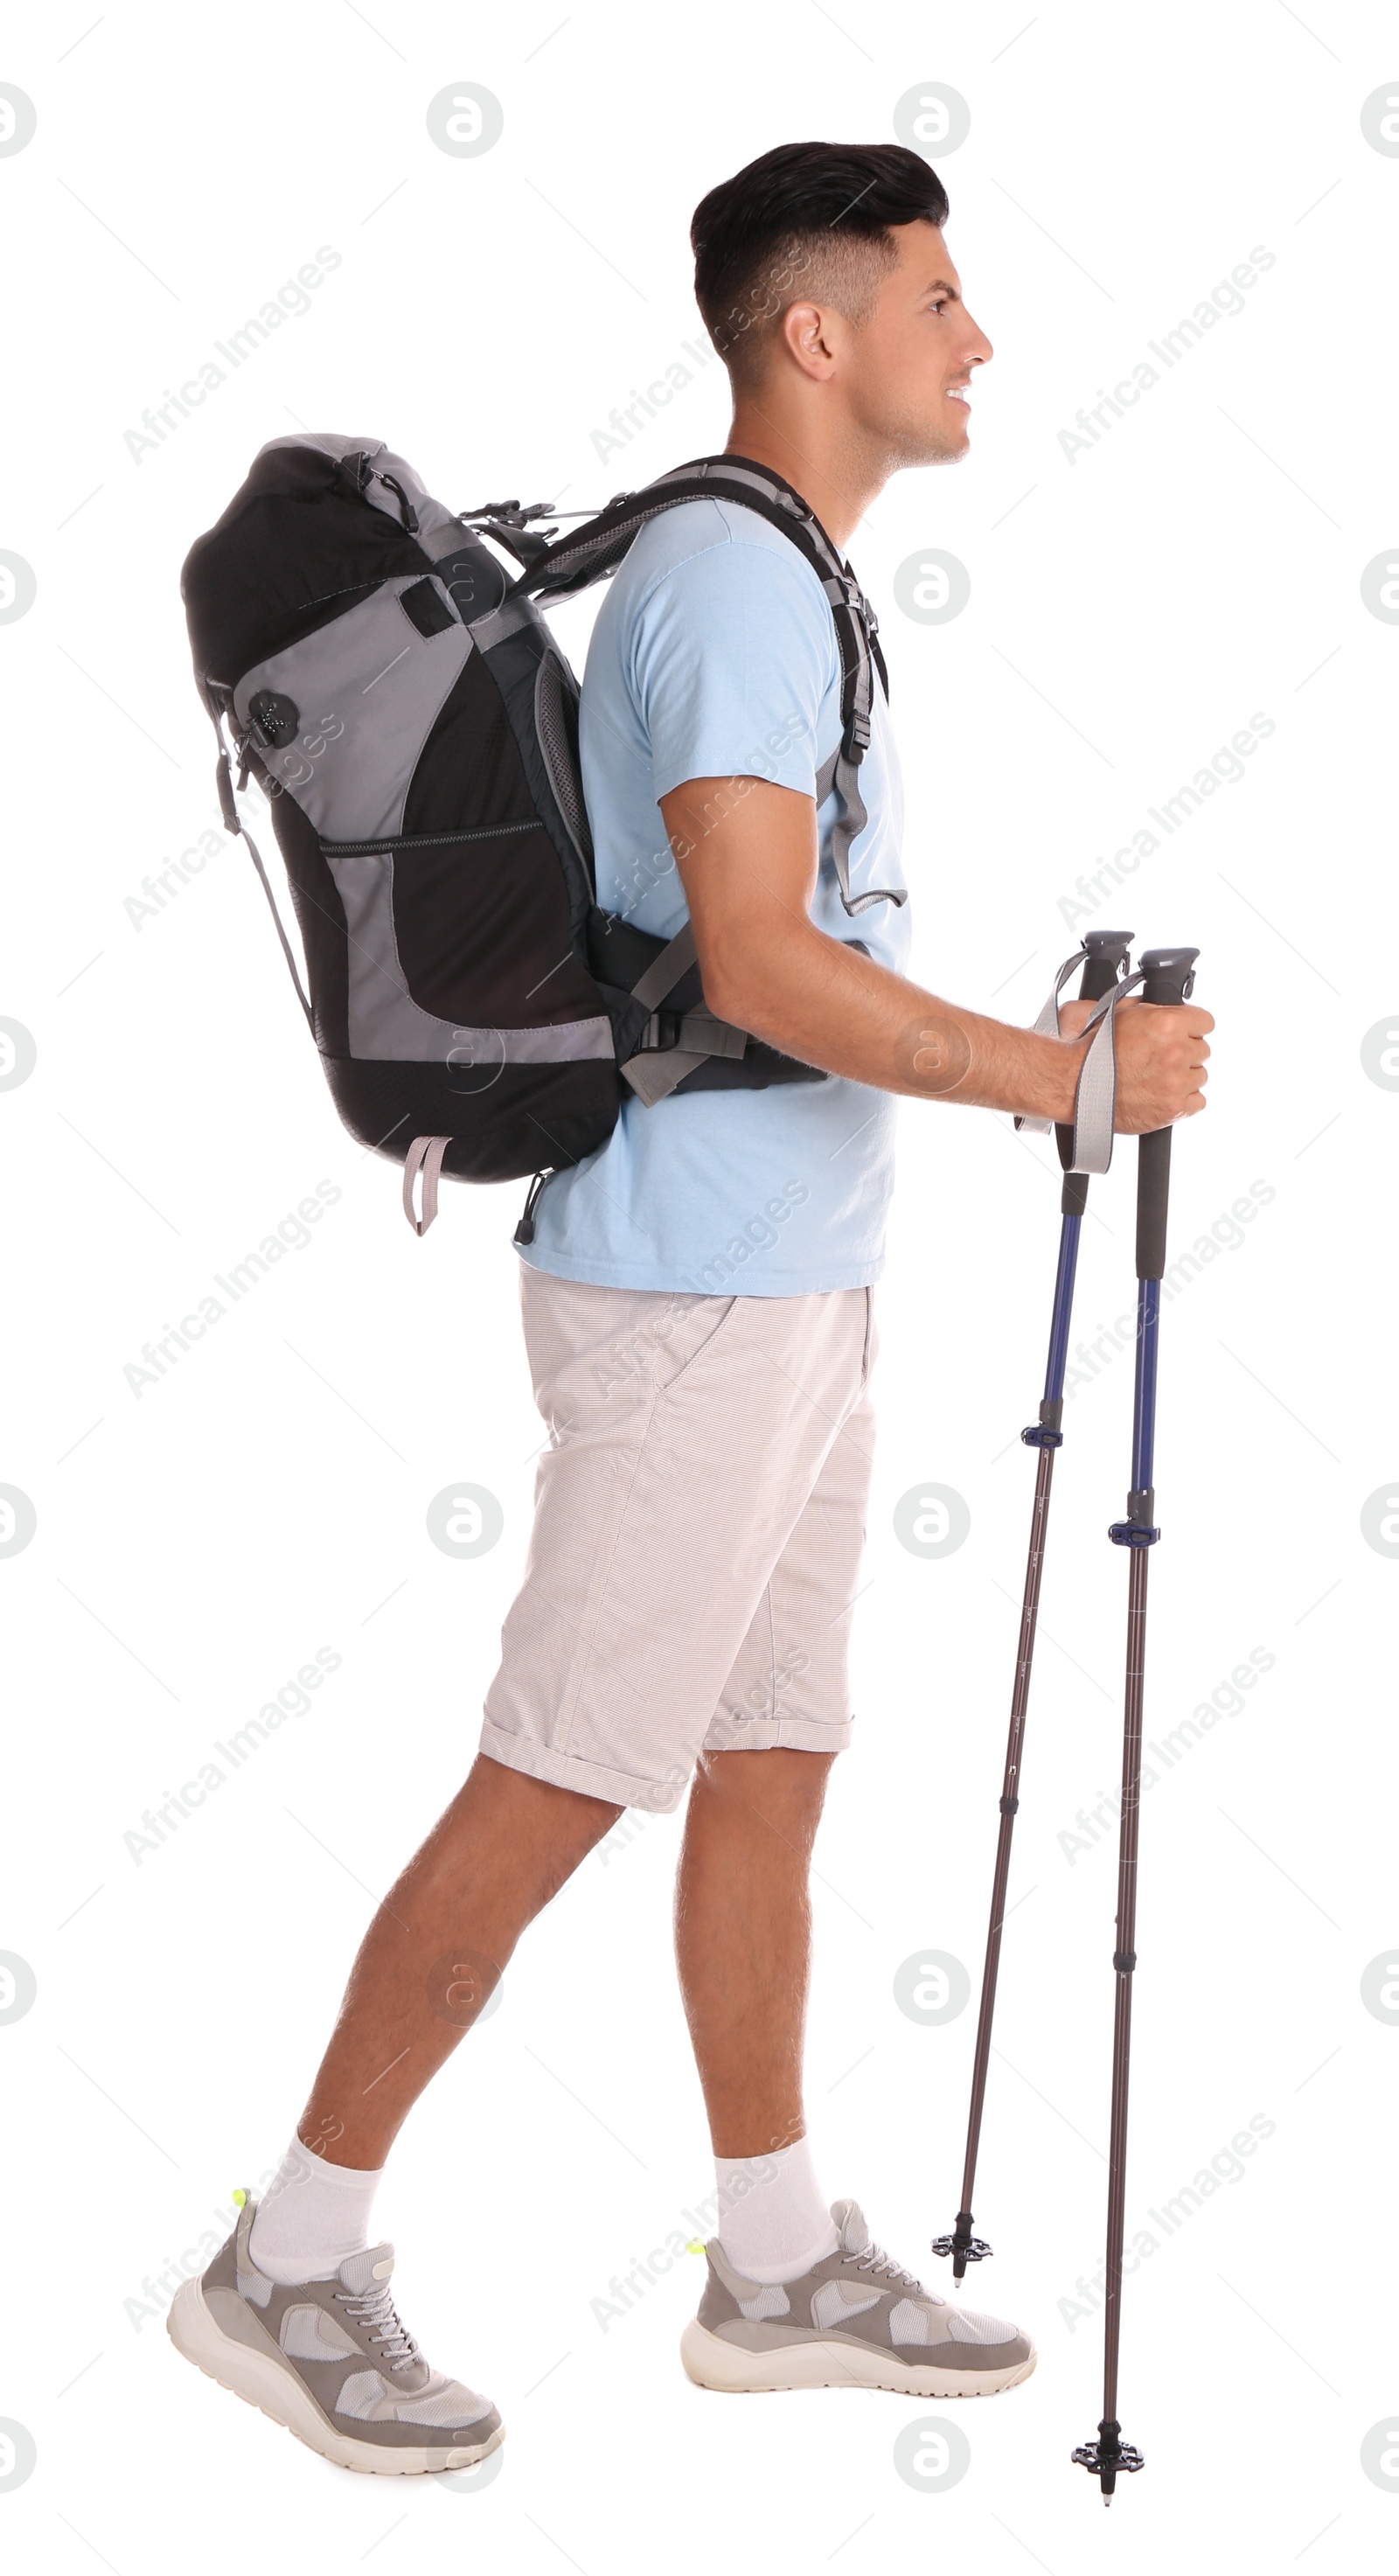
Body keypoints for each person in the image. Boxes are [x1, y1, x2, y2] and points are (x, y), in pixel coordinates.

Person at [169, 139, 1212, 2475]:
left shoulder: (777, 576)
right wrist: (1063, 1079)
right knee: (558, 1777)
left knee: (769, 1765)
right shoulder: (735, 587)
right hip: (689, 1305)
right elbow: (749, 959)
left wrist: (1030, 1041)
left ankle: (767, 2260)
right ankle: (287, 2260)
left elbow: (774, 949)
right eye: (939, 299)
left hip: (794, 1280)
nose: (977, 342)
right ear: (811, 331)